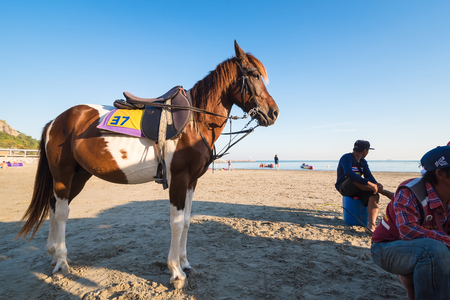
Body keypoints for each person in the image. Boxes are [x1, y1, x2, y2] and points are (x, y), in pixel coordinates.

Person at [371, 146, 450, 300]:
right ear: (440, 174)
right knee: (434, 250)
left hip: (428, 248)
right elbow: (409, 232)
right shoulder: (410, 192)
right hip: (386, 248)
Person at [335, 140, 394, 234]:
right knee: (353, 178)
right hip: (344, 187)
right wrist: (370, 184)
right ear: (365, 150)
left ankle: (371, 226)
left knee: (374, 195)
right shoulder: (346, 158)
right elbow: (348, 173)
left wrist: (376, 184)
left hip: (359, 188)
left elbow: (368, 175)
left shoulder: (363, 162)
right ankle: (384, 192)